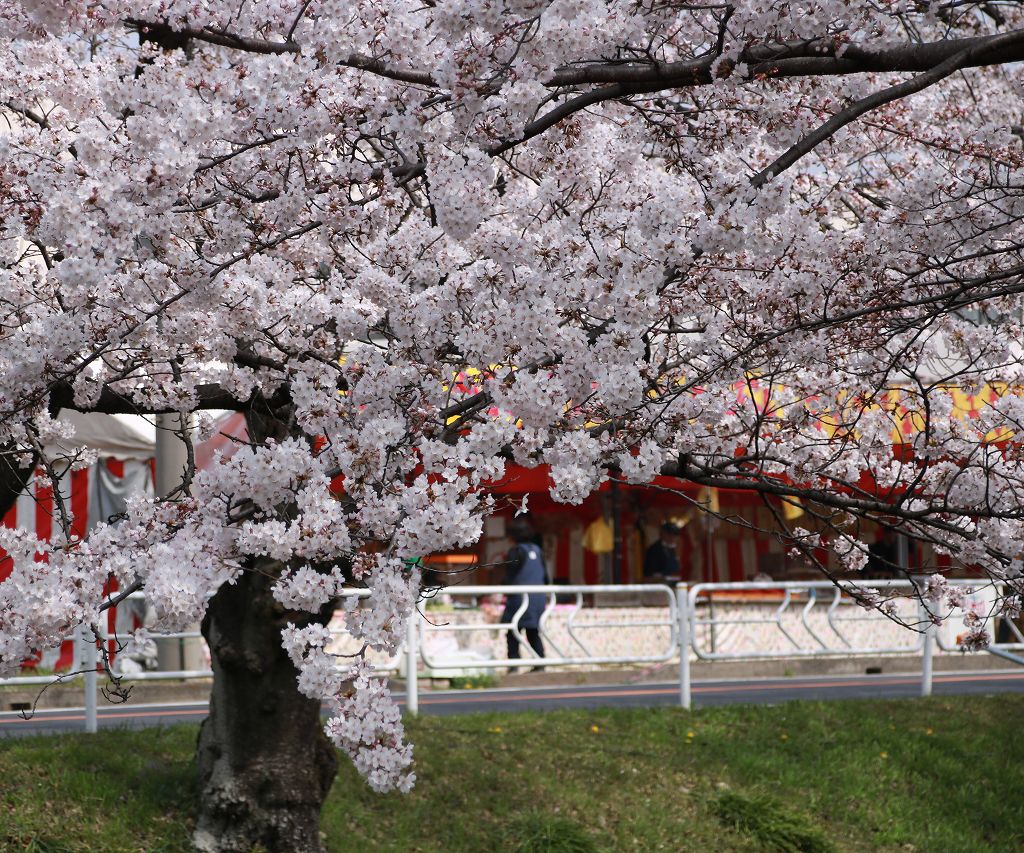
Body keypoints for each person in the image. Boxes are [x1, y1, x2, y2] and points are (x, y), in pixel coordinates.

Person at [501, 518, 549, 668]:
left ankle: (514, 665)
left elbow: (510, 576)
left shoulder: (516, 551)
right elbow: (545, 576)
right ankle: (540, 663)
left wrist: (500, 590)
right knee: (533, 631)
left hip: (520, 598)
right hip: (538, 597)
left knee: (512, 632)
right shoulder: (537, 550)